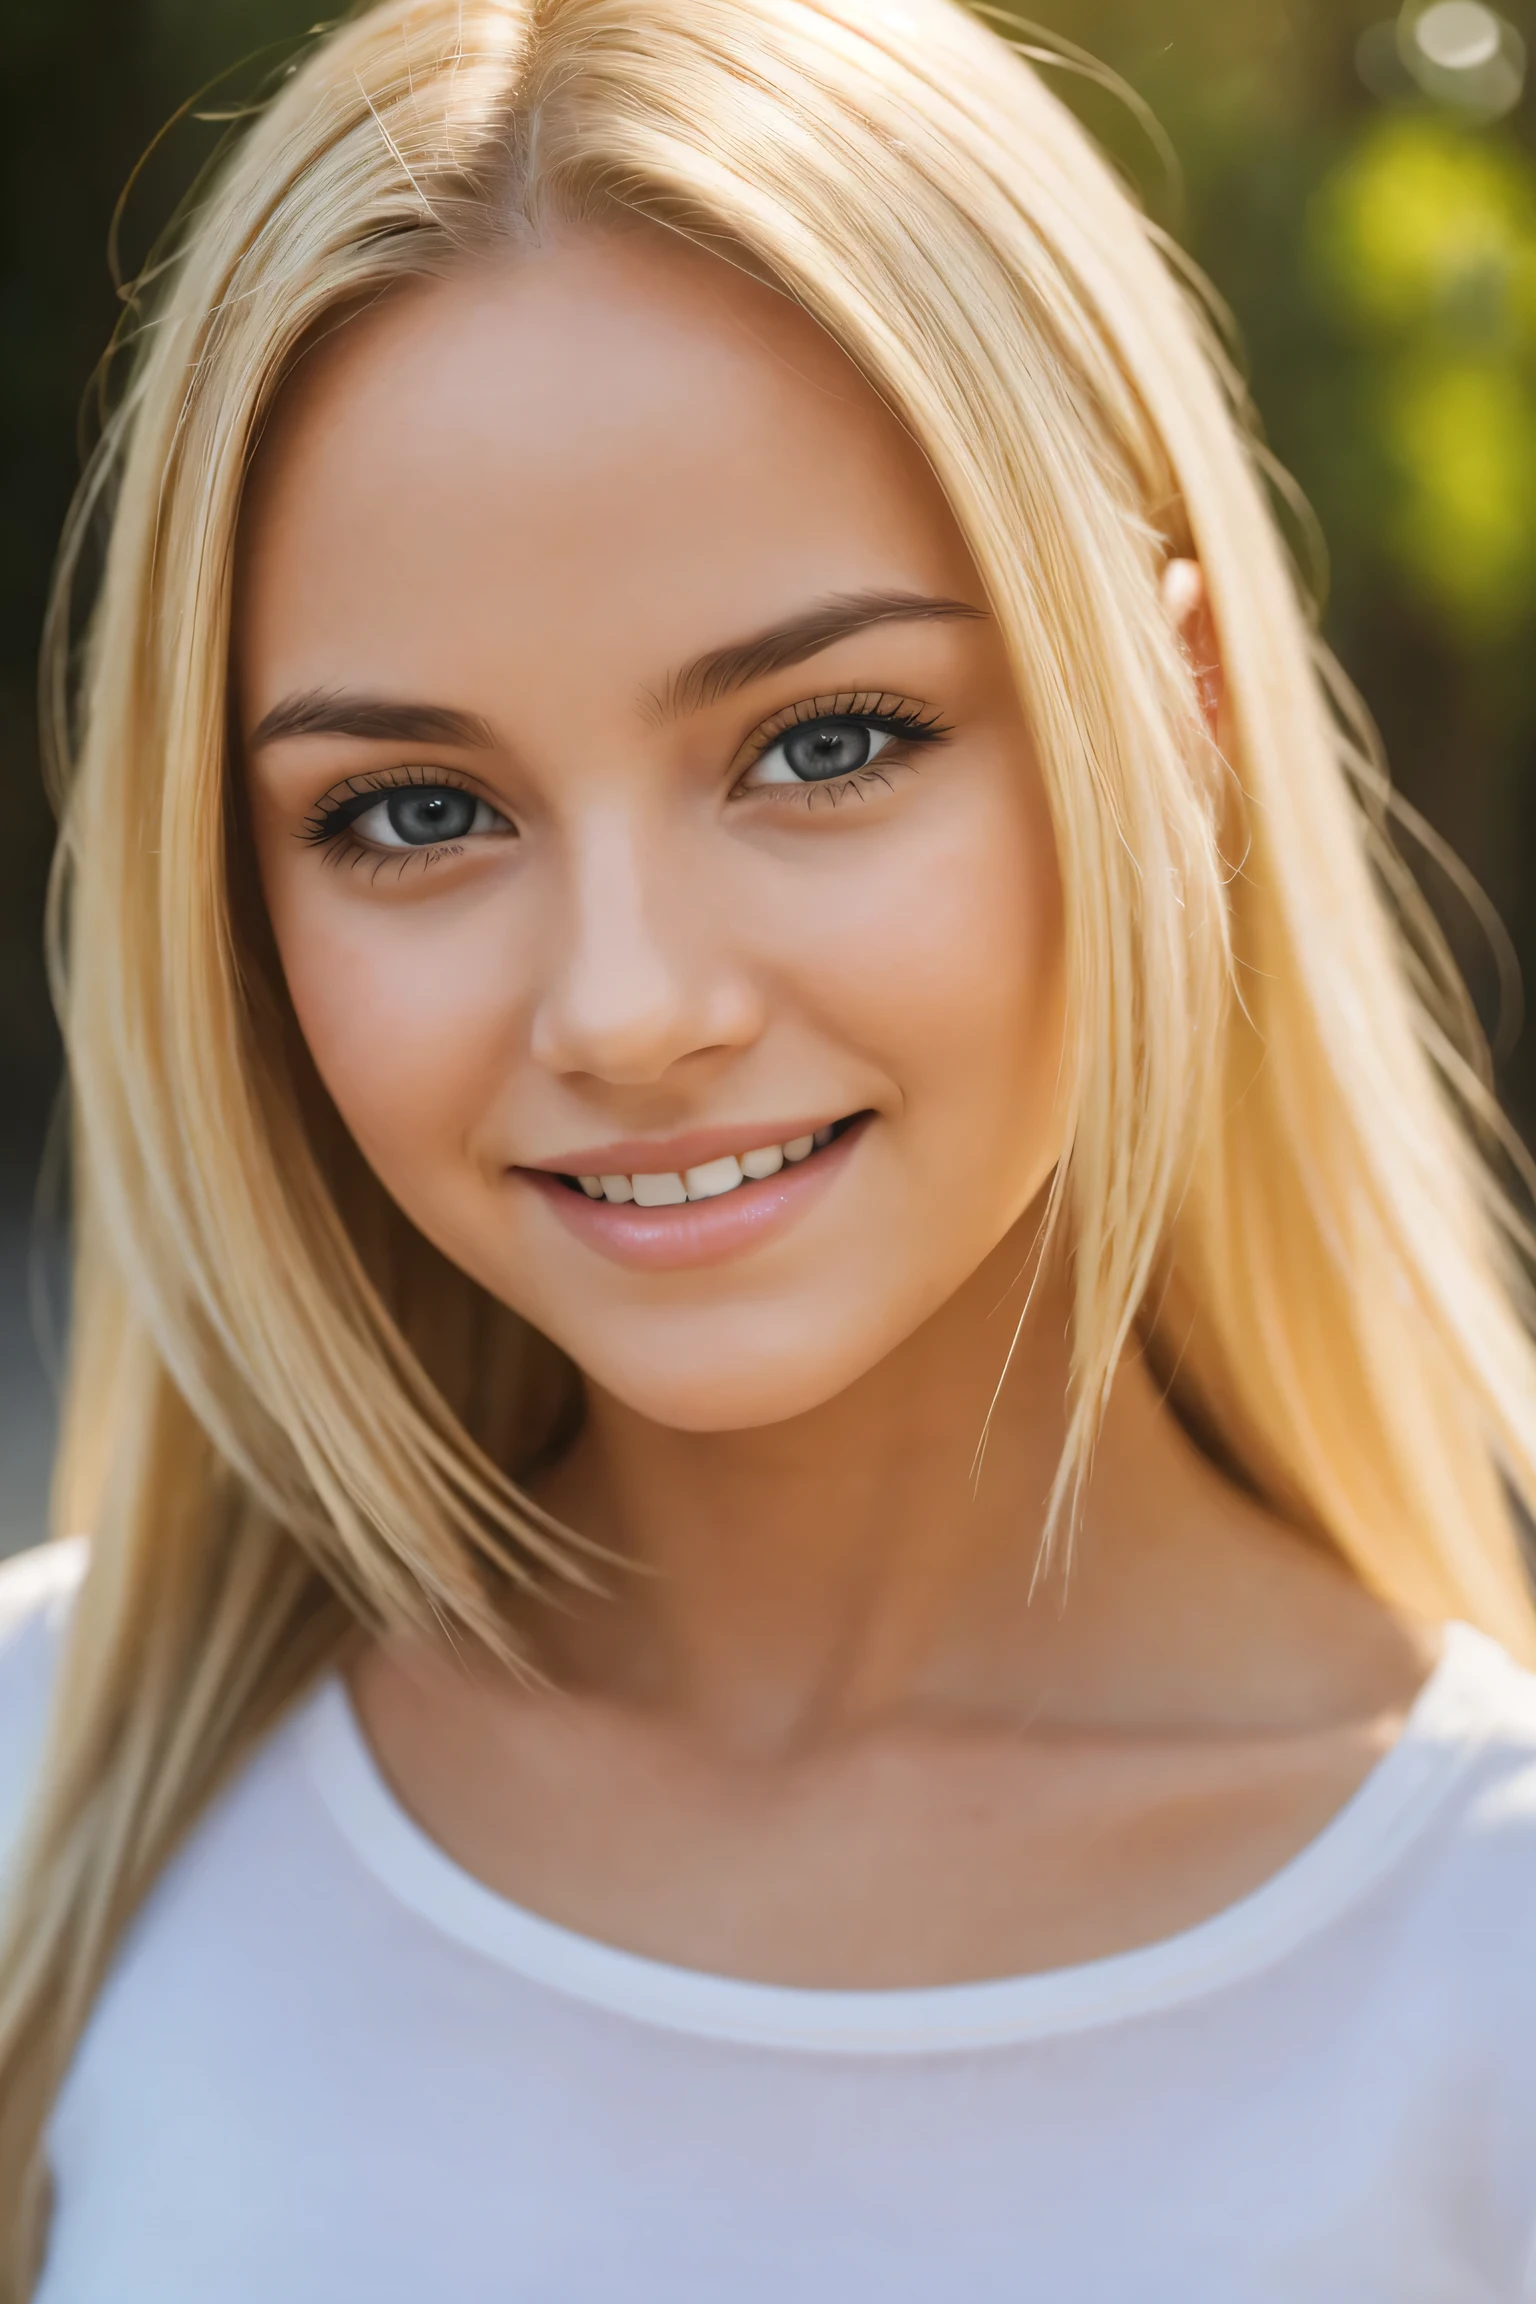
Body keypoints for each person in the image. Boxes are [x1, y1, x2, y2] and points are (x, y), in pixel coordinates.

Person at [4, 0, 1536, 2292]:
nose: (629, 1006)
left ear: (1179, 716)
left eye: (826, 742)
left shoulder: (1481, 1971)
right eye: (413, 811)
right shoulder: (46, 1821)